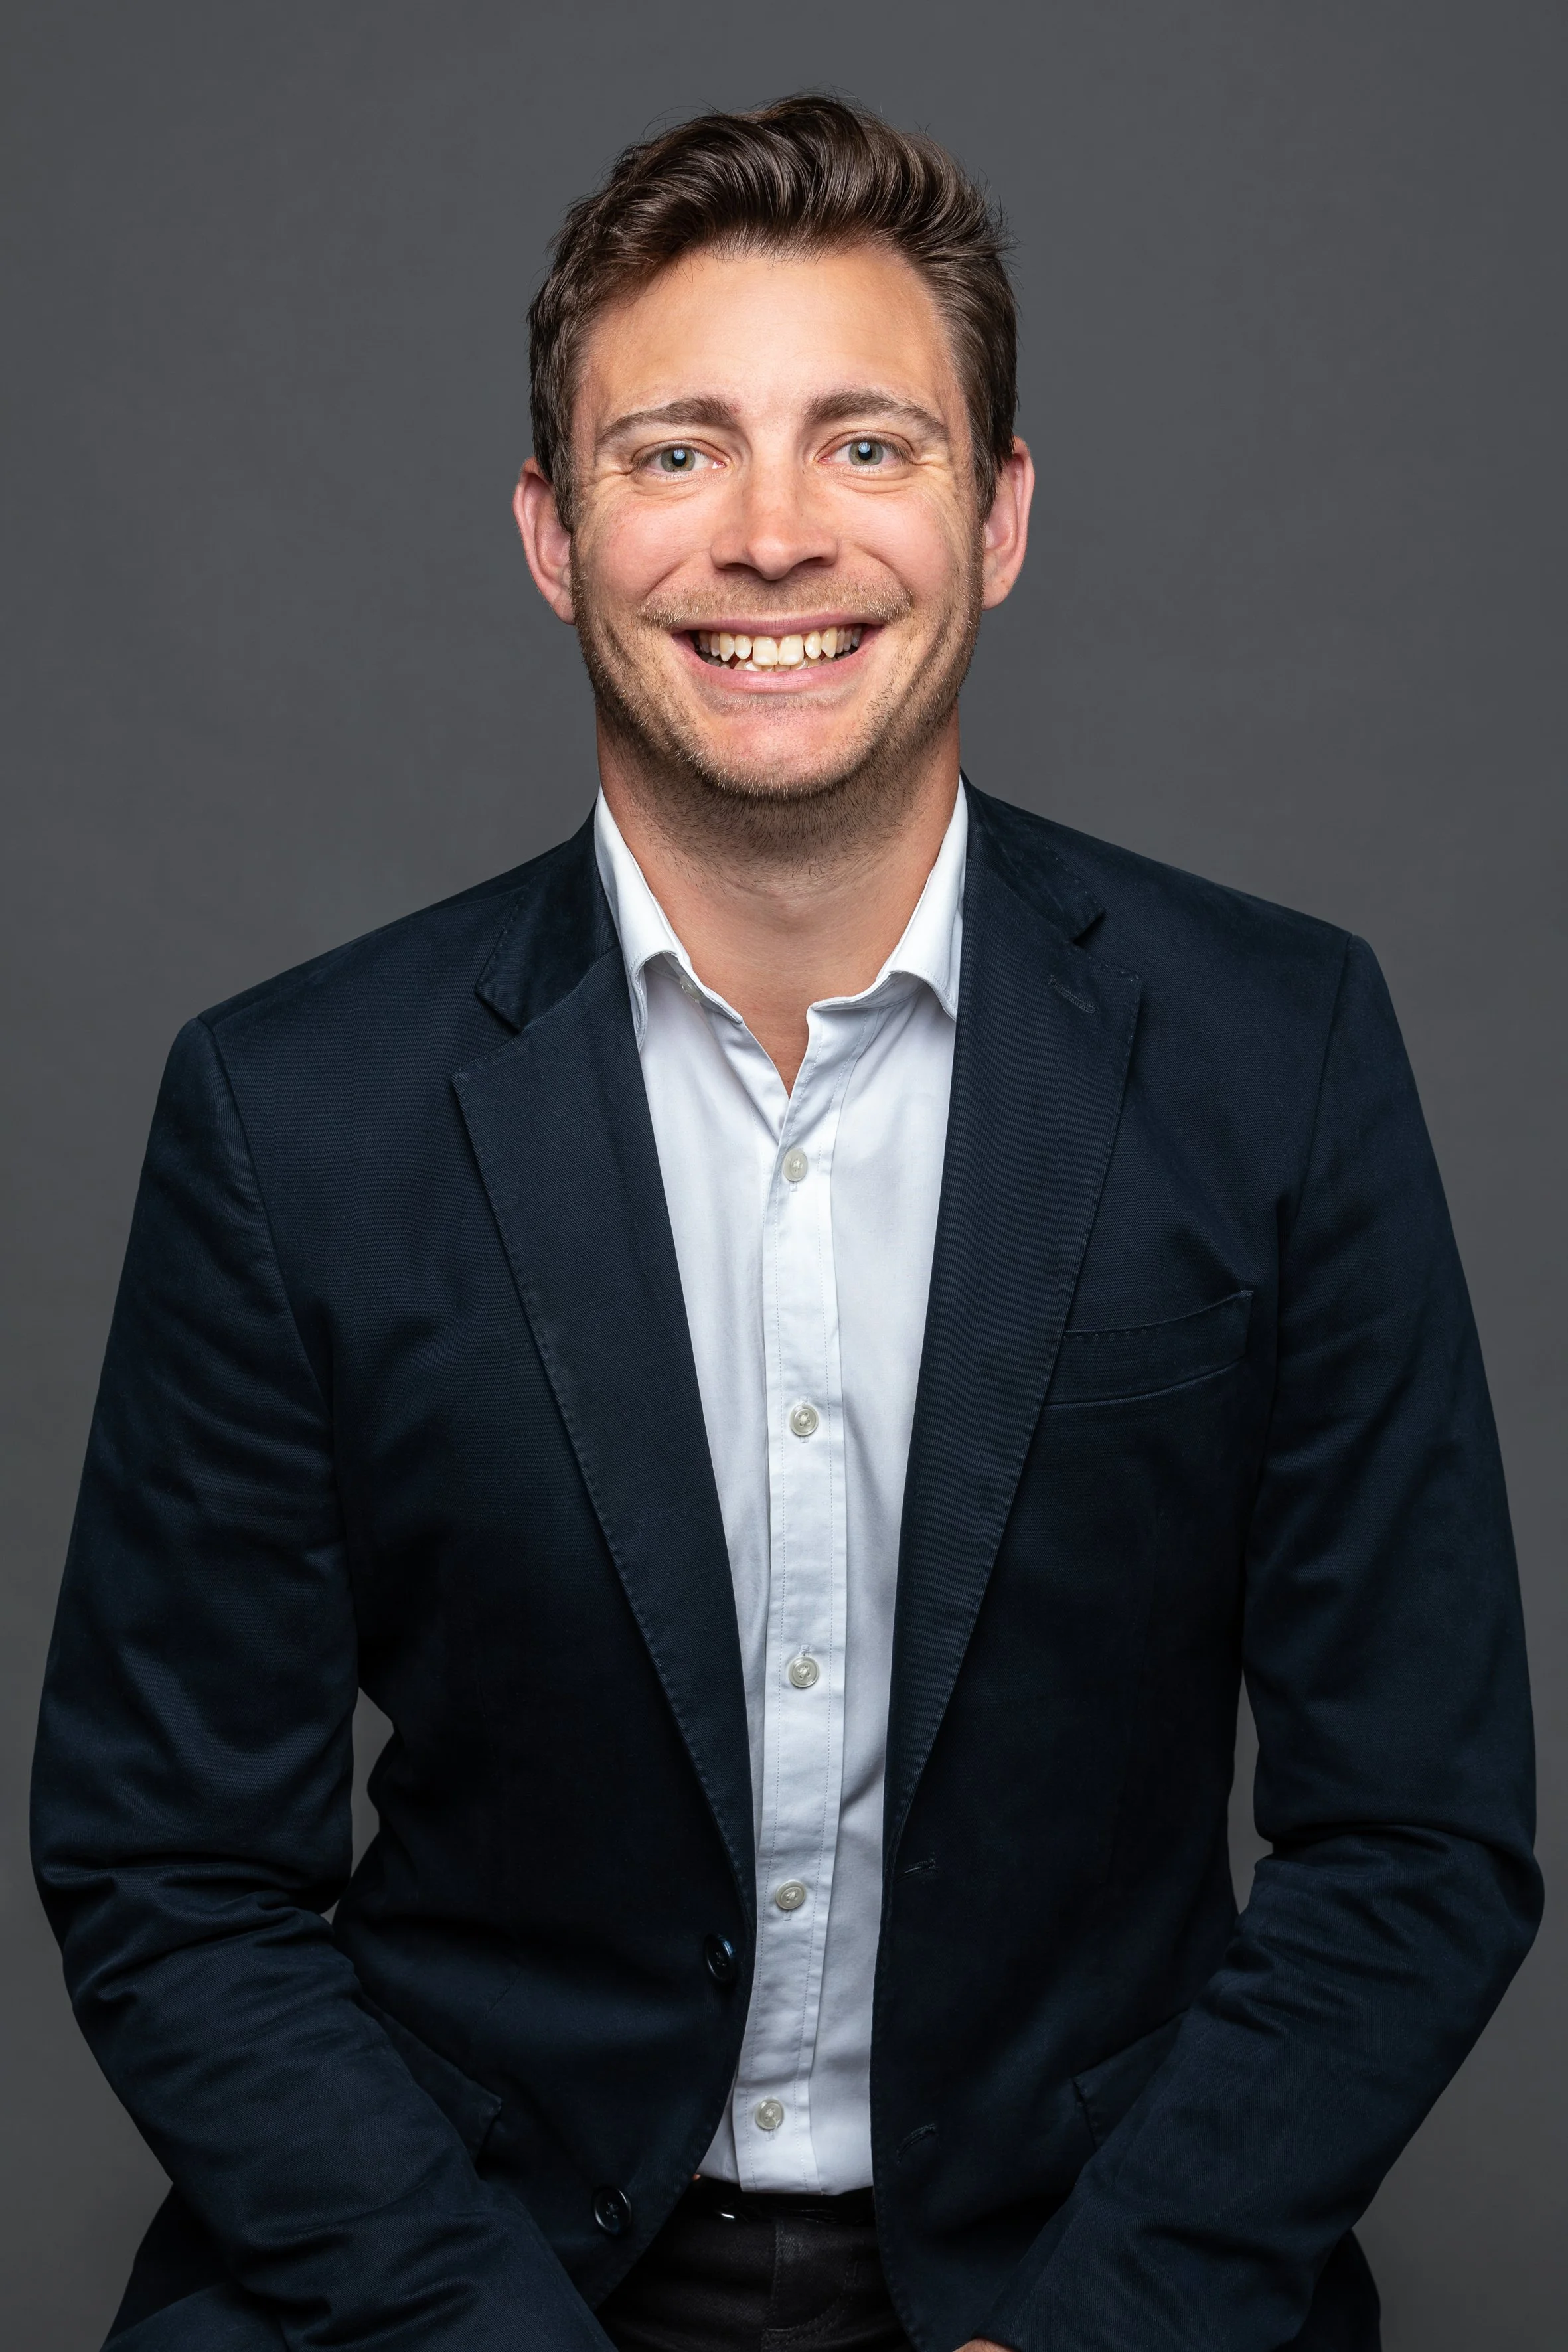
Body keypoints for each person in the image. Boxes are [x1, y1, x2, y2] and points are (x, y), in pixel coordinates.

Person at [32, 94, 1540, 2352]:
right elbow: (171, 1883)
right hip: (458, 2267)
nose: (769, 537)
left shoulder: (1276, 1052)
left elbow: (1417, 1836)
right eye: (672, 454)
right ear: (551, 533)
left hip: (1093, 2269)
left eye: (866, 444)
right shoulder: (291, 1113)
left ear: (999, 512)